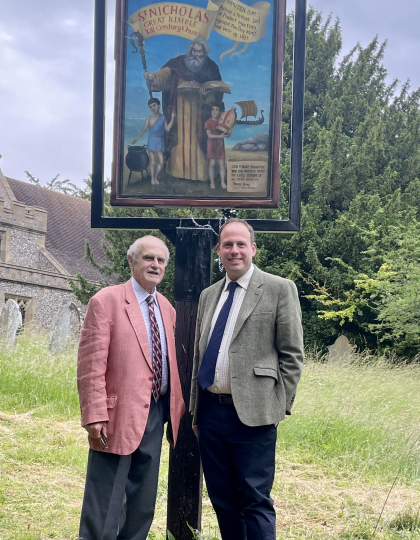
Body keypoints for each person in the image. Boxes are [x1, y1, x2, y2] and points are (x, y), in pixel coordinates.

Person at [189, 219, 304, 539]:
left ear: (253, 249)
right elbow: (201, 354)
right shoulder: (208, 295)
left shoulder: (280, 289)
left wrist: (279, 407)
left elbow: (292, 356)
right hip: (211, 413)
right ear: (219, 251)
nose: (234, 250)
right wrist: (198, 412)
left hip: (255, 414)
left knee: (255, 501)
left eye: (241, 244)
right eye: (227, 245)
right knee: (224, 501)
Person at [77, 235, 185, 540]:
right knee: (105, 500)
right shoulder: (106, 301)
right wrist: (95, 414)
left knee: (142, 502)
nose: (155, 265)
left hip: (155, 412)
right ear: (131, 260)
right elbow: (90, 365)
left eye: (161, 260)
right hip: (116, 414)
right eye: (148, 258)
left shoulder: (166, 308)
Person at [143, 36, 224, 182]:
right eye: (194, 50)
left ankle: (199, 174)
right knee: (178, 139)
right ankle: (176, 170)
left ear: (204, 52)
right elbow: (165, 73)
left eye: (199, 52)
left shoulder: (211, 68)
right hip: (178, 109)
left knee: (197, 141)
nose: (195, 54)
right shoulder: (179, 62)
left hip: (199, 112)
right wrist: (153, 76)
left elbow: (217, 92)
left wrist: (205, 93)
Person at [130, 97, 176, 185]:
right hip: (151, 140)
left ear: (158, 106)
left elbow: (167, 129)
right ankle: (152, 179)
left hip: (159, 141)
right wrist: (136, 138)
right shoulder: (148, 118)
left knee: (161, 162)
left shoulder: (163, 117)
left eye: (154, 105)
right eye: (150, 107)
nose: (152, 108)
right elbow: (144, 129)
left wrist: (173, 118)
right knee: (152, 161)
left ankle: (155, 176)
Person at [204, 102, 230, 190]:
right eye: (213, 109)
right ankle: (212, 183)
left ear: (220, 112)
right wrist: (220, 136)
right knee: (212, 163)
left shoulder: (222, 122)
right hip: (211, 144)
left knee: (222, 164)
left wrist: (228, 132)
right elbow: (209, 135)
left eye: (216, 109)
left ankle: (223, 182)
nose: (214, 111)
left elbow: (227, 133)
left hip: (220, 144)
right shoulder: (208, 122)